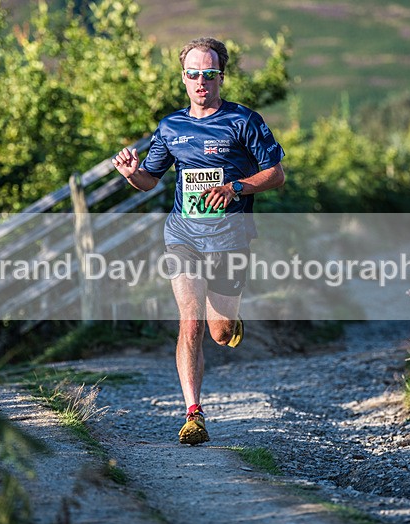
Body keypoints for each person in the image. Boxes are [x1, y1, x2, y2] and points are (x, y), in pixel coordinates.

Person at [112, 36, 285, 445]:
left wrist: (236, 188)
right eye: (193, 74)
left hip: (231, 238)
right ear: (183, 78)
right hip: (183, 236)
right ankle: (194, 414)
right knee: (189, 323)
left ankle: (227, 321)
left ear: (221, 76)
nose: (201, 81)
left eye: (209, 74)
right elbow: (149, 180)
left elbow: (276, 175)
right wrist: (131, 173)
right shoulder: (171, 126)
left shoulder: (244, 121)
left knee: (219, 333)